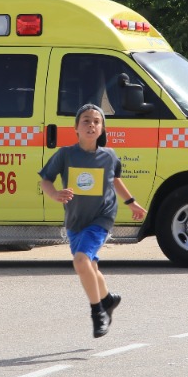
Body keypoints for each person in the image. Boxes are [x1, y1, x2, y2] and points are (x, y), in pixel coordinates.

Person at [39, 103, 147, 338]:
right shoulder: (66, 154)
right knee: (90, 266)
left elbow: (114, 180)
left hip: (102, 217)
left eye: (96, 121)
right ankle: (107, 299)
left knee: (80, 262)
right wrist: (55, 194)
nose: (91, 125)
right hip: (76, 220)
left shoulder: (109, 156)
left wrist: (131, 202)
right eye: (86, 120)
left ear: (102, 129)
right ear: (76, 127)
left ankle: (98, 312)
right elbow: (45, 180)